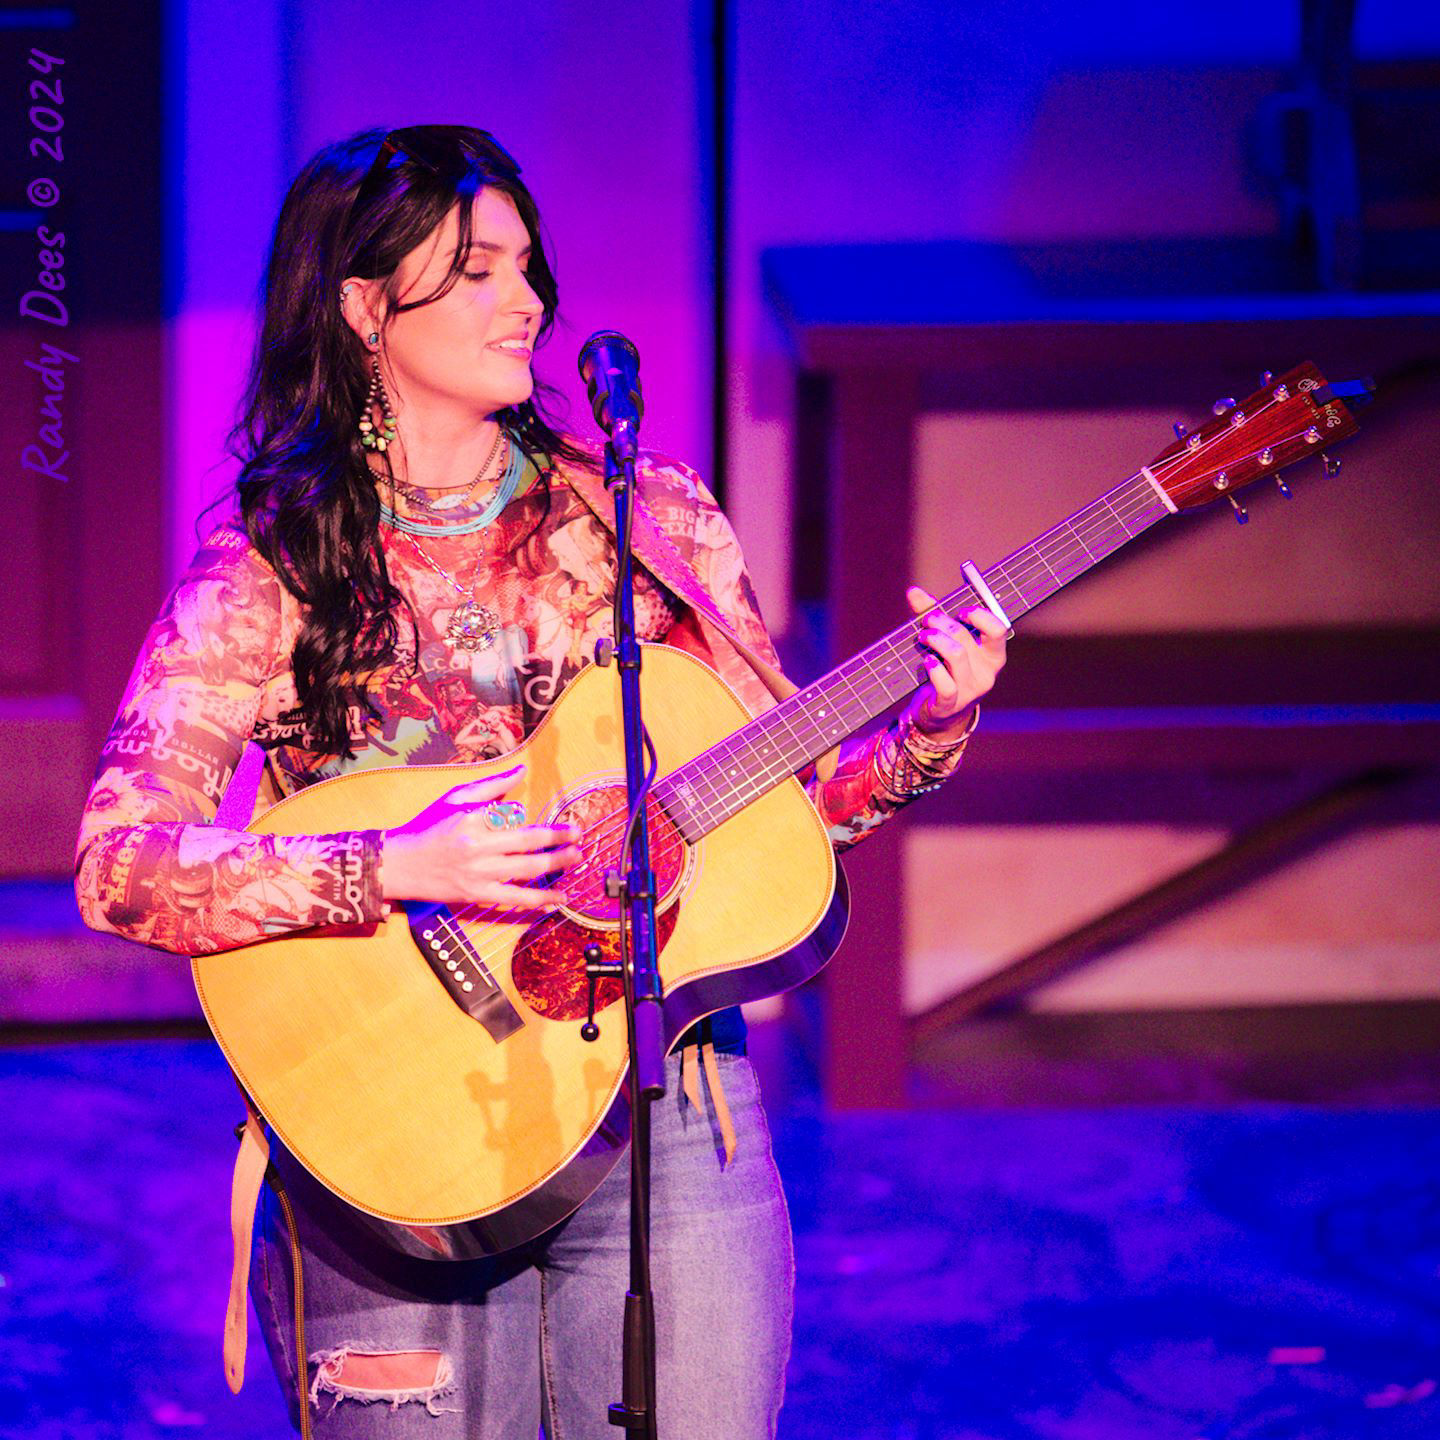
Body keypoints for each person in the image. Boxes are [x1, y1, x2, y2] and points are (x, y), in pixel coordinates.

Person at [73, 125, 1007, 1438]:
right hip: (400, 1129)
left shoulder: (649, 523)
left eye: (528, 268)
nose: (529, 302)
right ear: (363, 307)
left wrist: (925, 725)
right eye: (477, 272)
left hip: (661, 1092)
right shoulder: (267, 565)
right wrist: (393, 863)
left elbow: (782, 817)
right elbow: (122, 867)